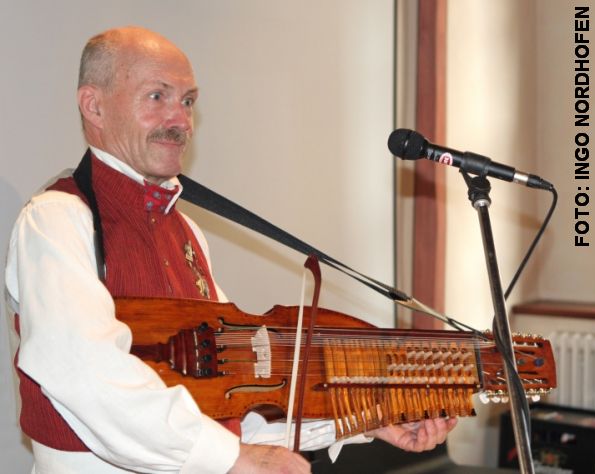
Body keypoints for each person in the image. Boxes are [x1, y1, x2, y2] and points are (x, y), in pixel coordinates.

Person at [5, 26, 457, 473]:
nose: (181, 120)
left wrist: (369, 418)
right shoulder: (56, 219)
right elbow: (88, 377)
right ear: (94, 105)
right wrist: (232, 458)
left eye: (187, 101)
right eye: (157, 96)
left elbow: (238, 396)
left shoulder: (185, 231)